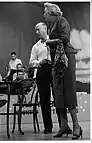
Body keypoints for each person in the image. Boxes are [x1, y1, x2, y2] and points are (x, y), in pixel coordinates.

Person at [43, 2, 82, 140]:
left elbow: (65, 39)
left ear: (52, 14)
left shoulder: (62, 21)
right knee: (58, 92)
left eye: (46, 13)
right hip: (56, 61)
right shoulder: (51, 25)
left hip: (66, 59)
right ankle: (64, 125)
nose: (44, 15)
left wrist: (49, 41)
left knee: (68, 90)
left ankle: (76, 125)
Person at [29, 22, 53, 134]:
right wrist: (39, 62)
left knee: (58, 97)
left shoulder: (53, 41)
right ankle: (48, 126)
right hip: (42, 72)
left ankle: (64, 124)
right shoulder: (36, 46)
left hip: (53, 70)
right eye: (35, 30)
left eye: (38, 29)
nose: (37, 32)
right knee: (44, 99)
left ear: (45, 29)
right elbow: (31, 62)